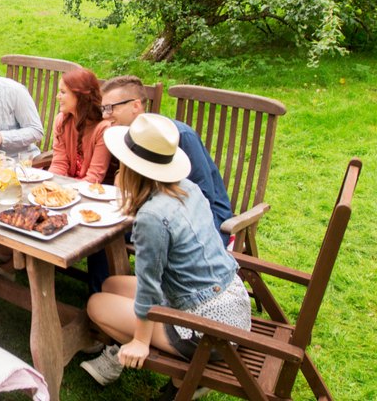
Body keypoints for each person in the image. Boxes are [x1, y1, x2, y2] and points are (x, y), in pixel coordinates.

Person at [80, 114, 252, 387]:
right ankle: (133, 348)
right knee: (111, 285)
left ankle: (180, 373)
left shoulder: (152, 216)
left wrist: (140, 340)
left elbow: (149, 287)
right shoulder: (188, 187)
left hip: (211, 334)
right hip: (233, 305)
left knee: (95, 305)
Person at [100, 76, 233, 246]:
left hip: (201, 221)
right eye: (103, 109)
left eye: (110, 108)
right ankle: (104, 274)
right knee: (104, 229)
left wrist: (146, 211)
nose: (105, 115)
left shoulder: (180, 136)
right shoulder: (127, 137)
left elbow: (203, 195)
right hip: (151, 212)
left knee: (111, 233)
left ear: (135, 106)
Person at [49, 67, 112, 184]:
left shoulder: (103, 128)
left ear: (80, 95)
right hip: (66, 186)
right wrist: (49, 186)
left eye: (63, 92)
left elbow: (94, 177)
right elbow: (59, 164)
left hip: (90, 191)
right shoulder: (62, 121)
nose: (58, 96)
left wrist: (67, 192)